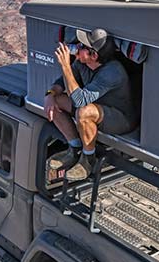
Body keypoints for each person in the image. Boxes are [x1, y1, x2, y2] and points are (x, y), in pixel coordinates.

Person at [43, 27, 137, 180]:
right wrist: (50, 94)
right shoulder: (82, 64)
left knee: (84, 111)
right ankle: (74, 148)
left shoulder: (112, 72)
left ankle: (88, 159)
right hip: (96, 107)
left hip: (120, 118)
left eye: (81, 47)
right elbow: (62, 82)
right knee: (57, 101)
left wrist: (65, 65)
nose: (76, 48)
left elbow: (79, 100)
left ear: (93, 55)